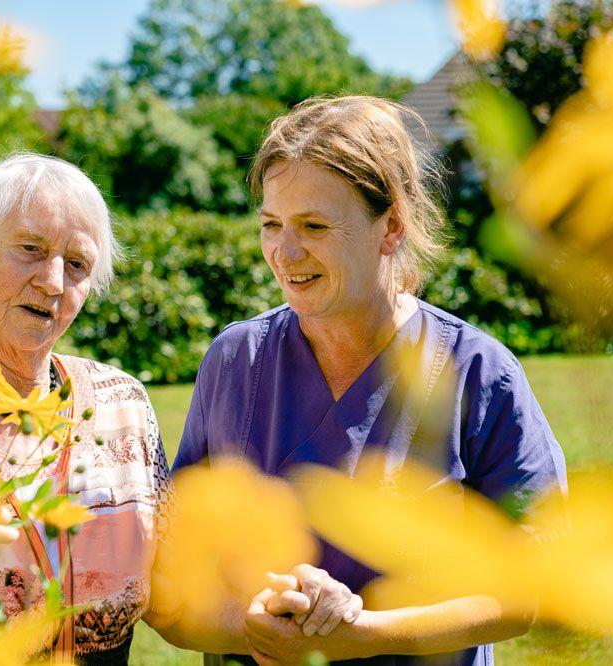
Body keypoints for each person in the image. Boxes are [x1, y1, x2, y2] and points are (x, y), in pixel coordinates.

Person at [0, 153, 358, 664]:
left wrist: (285, 609)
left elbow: (169, 596)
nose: (51, 282)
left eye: (76, 264)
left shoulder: (120, 403)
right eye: (29, 248)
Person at [173, 96, 568, 665]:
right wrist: (253, 624)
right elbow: (176, 566)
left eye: (314, 225)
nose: (285, 251)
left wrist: (361, 633)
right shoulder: (236, 360)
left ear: (391, 228)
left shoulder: (479, 373)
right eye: (271, 224)